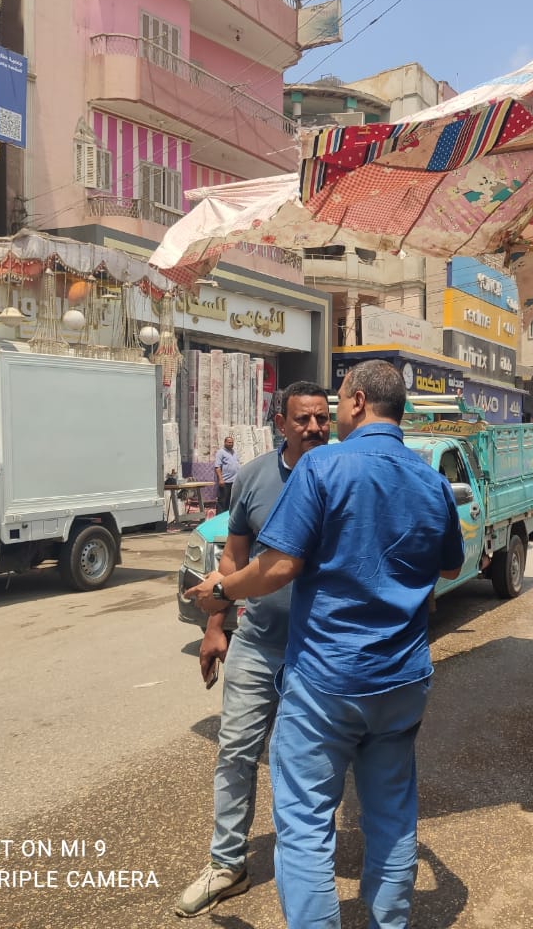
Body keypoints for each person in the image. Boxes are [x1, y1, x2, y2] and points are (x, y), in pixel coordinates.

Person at [197, 360, 464, 929]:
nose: (329, 418)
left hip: (328, 681)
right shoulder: (431, 481)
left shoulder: (323, 468)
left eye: (337, 404)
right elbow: (448, 568)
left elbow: (279, 566)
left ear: (358, 401)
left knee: (305, 825)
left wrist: (222, 588)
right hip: (403, 680)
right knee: (391, 818)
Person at [175, 382, 331, 918]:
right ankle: (227, 864)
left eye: (321, 418)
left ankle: (305, 865)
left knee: (306, 762)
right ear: (280, 424)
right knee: (236, 751)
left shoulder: (340, 475)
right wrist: (217, 625)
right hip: (258, 641)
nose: (314, 428)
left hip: (317, 650)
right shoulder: (255, 477)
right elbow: (232, 561)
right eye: (303, 420)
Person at [214, 435, 240, 511]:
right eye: (229, 442)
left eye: (232, 442)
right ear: (225, 442)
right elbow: (217, 467)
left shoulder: (234, 452)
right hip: (225, 481)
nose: (230, 444)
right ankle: (219, 519)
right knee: (222, 502)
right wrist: (220, 479)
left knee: (231, 502)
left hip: (234, 481)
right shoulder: (221, 452)